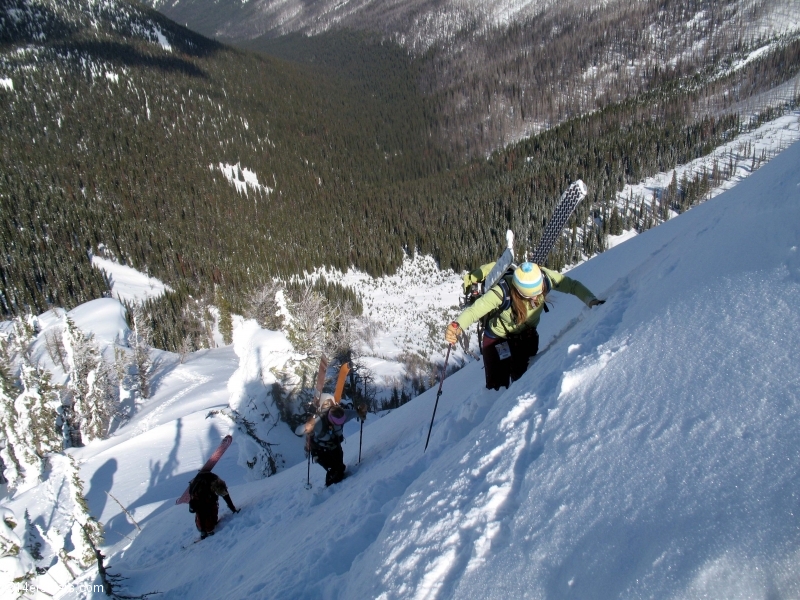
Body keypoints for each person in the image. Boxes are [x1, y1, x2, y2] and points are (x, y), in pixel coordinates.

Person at [446, 261, 604, 390]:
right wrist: (456, 326)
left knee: (523, 382)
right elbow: (475, 310)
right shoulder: (502, 292)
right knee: (496, 387)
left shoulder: (544, 278)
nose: (536, 299)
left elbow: (572, 285)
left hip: (525, 337)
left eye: (539, 293)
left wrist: (592, 301)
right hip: (497, 340)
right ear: (519, 292)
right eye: (531, 296)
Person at [305, 393, 368, 486]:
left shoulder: (342, 414)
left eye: (341, 422)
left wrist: (361, 412)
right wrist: (309, 430)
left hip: (334, 446)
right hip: (320, 451)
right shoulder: (318, 423)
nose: (339, 424)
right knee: (334, 470)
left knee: (340, 468)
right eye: (336, 422)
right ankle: (331, 489)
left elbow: (355, 413)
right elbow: (308, 431)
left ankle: (335, 486)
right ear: (330, 418)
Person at [188, 471, 239, 539]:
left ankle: (209, 523)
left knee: (212, 521)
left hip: (209, 496)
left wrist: (233, 509)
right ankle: (203, 528)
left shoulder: (217, 483)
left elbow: (226, 496)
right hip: (200, 500)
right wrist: (203, 532)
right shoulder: (201, 492)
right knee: (208, 526)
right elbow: (200, 512)